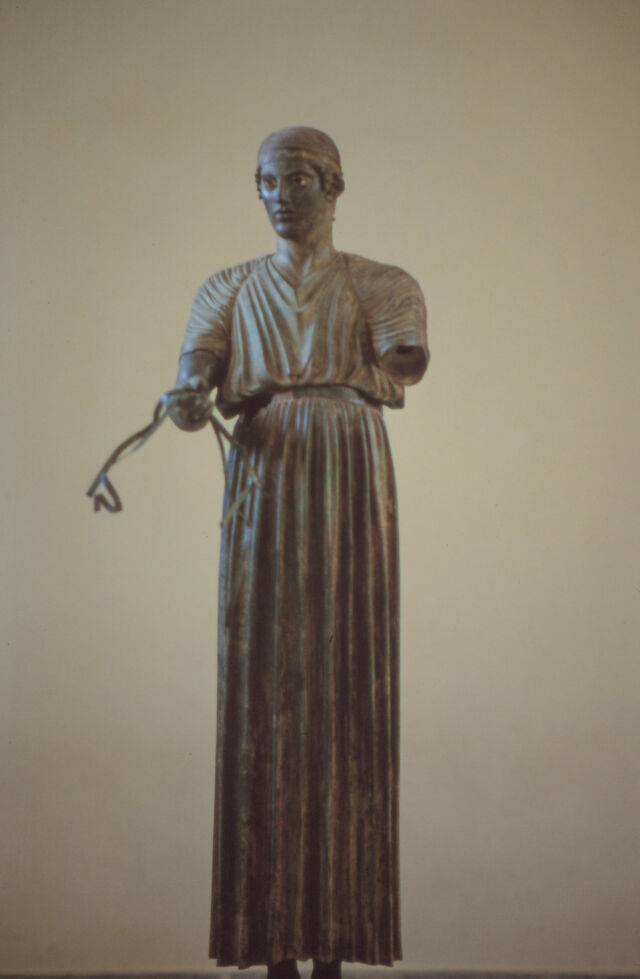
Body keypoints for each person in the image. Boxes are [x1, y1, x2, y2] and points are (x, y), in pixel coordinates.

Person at [170, 127, 429, 979]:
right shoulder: (226, 287)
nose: (282, 196)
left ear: (335, 185)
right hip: (266, 468)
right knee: (264, 681)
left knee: (349, 677)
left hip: (349, 467)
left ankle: (336, 945)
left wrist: (391, 356)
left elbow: (404, 355)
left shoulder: (381, 282)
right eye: (269, 182)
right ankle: (274, 941)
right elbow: (196, 370)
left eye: (300, 179)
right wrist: (187, 396)